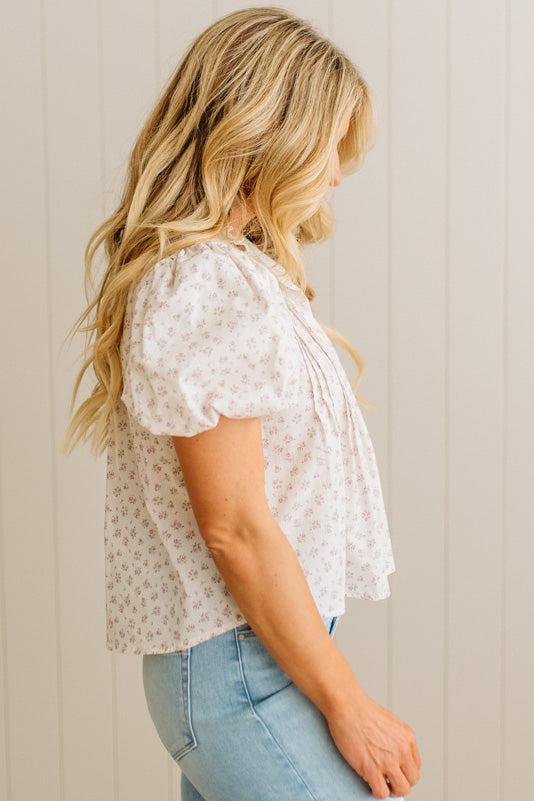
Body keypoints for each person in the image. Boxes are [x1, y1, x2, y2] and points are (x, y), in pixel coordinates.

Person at [62, 6, 421, 800]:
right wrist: (349, 703)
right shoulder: (204, 283)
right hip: (239, 671)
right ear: (273, 134)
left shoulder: (239, 273)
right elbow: (234, 528)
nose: (335, 173)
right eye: (331, 145)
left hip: (263, 655)